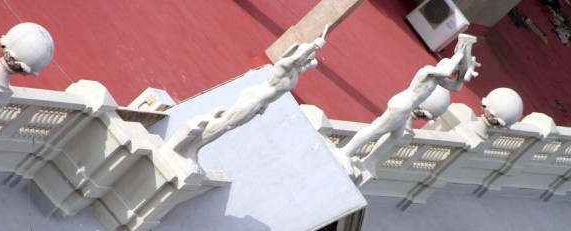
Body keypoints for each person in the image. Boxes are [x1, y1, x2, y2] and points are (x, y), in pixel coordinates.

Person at [338, 34, 479, 181]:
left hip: (406, 108)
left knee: (396, 136)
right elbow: (446, 71)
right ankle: (345, 152)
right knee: (376, 130)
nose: (449, 72)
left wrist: (465, 71)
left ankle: (370, 160)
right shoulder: (427, 71)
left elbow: (456, 87)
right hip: (401, 105)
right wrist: (461, 53)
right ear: (441, 65)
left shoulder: (438, 80)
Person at [171, 34, 326, 162]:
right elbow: (294, 60)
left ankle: (194, 147)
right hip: (254, 98)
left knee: (228, 125)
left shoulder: (294, 75)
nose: (305, 62)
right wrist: (313, 46)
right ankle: (191, 147)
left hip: (260, 103)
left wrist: (311, 62)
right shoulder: (284, 65)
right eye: (305, 58)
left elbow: (299, 69)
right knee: (226, 124)